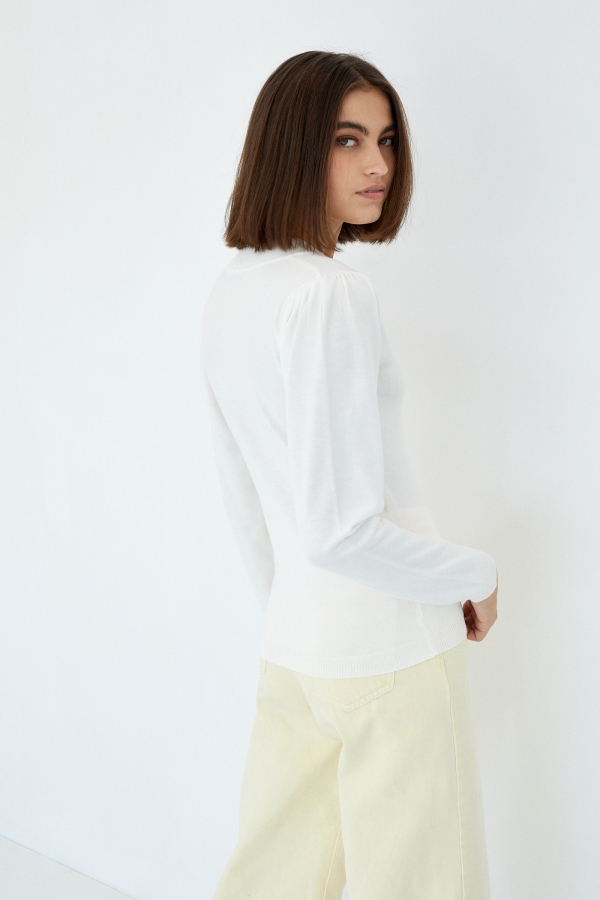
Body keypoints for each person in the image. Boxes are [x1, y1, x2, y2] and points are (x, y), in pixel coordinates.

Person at [200, 50, 498, 900]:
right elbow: (344, 530)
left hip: (297, 647)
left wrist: (294, 614)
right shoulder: (328, 293)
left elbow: (246, 497)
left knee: (274, 881)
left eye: (386, 139)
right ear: (293, 145)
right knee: (426, 885)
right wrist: (476, 573)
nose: (378, 164)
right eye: (347, 139)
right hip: (394, 648)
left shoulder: (233, 288)